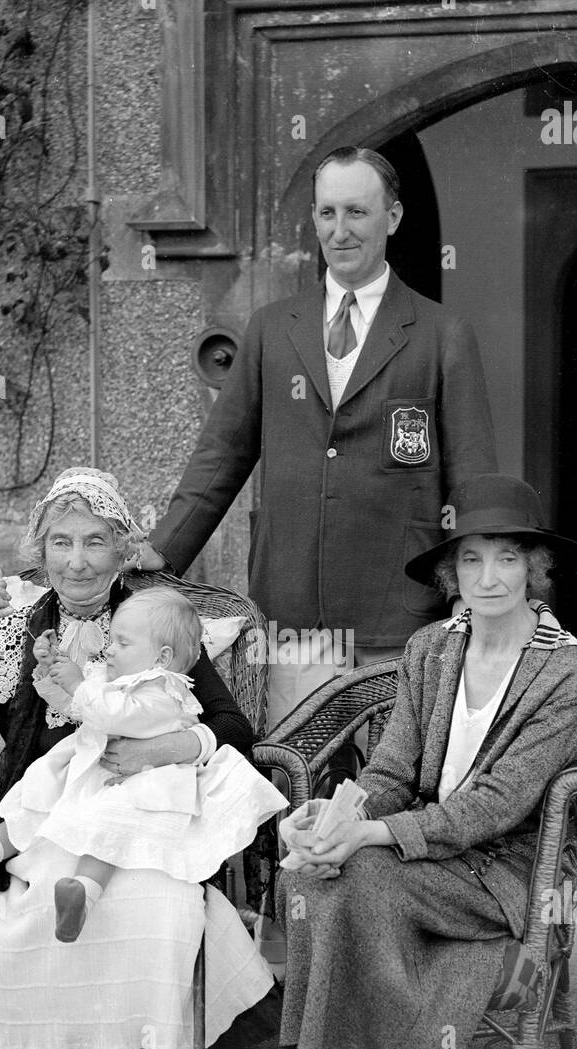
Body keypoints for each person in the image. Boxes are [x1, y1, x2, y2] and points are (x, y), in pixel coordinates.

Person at [215, 474, 577, 1049]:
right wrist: (338, 817)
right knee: (309, 872)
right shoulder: (433, 649)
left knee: (362, 880)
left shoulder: (563, 673)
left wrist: (372, 840)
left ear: (534, 569)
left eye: (508, 558)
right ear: (452, 571)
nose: (489, 578)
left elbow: (496, 805)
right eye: (473, 560)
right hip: (416, 851)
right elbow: (391, 768)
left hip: (501, 869)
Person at [0, 467, 276, 1049]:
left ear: (121, 550)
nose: (77, 560)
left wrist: (171, 743)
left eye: (95, 542)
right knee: (29, 912)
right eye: (60, 542)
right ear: (40, 550)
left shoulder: (149, 626)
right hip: (47, 817)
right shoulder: (15, 630)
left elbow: (232, 726)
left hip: (135, 827)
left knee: (159, 913)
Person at [135, 146, 497, 731]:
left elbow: (475, 477)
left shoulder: (441, 333)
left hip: (398, 606)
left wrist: (475, 589)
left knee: (388, 783)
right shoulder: (272, 328)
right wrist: (164, 548)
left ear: (394, 218)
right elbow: (223, 453)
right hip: (289, 605)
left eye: (356, 212)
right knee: (294, 774)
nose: (340, 230)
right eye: (327, 213)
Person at [0, 588, 286, 942]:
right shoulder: (118, 680)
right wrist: (52, 674)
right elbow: (79, 709)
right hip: (95, 767)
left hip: (141, 782)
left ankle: (82, 895)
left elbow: (117, 716)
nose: (111, 649)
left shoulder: (166, 690)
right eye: (112, 639)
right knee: (37, 792)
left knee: (110, 819)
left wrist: (80, 683)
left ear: (162, 657)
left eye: (122, 643)